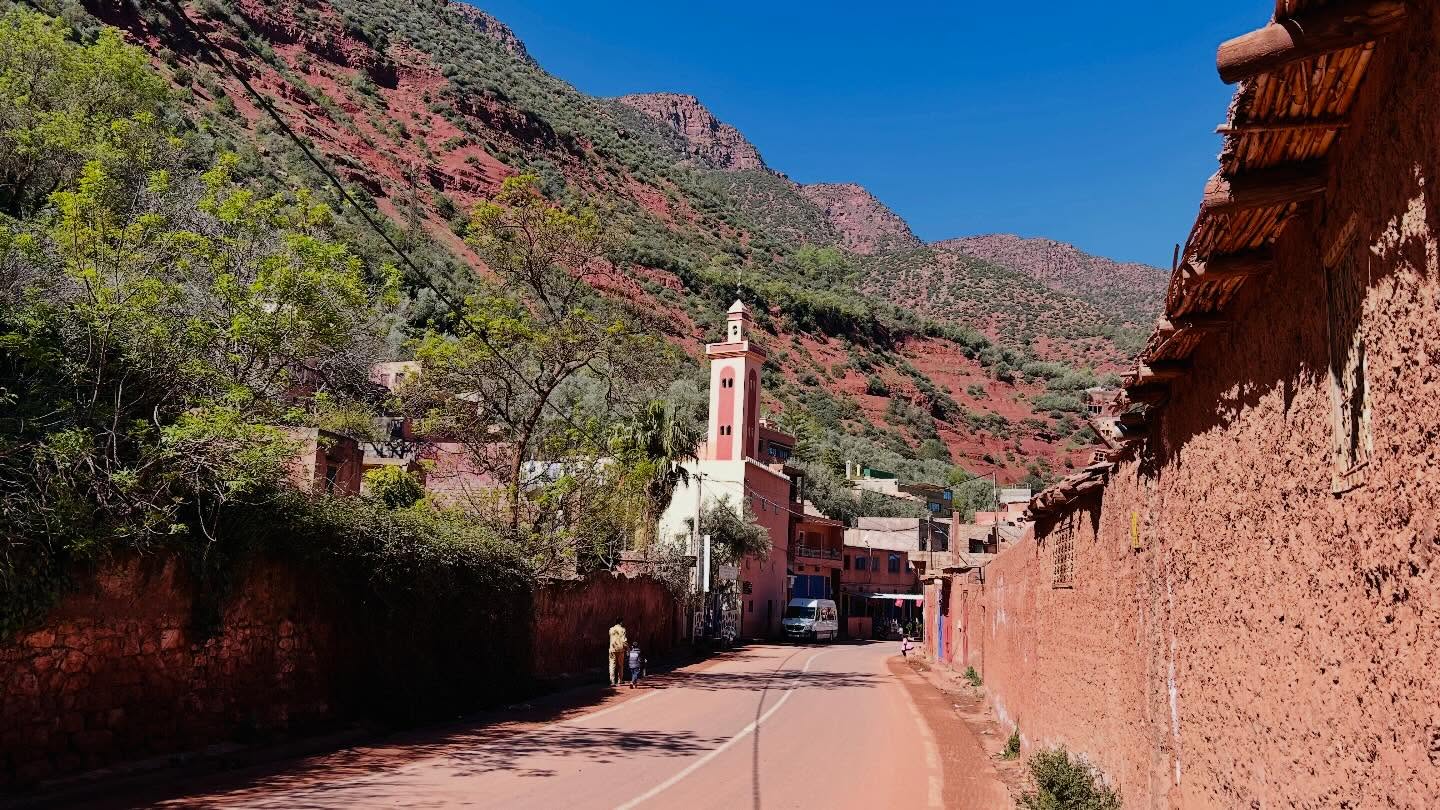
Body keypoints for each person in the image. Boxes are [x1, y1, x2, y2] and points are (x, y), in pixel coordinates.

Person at [607, 618, 628, 687]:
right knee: (620, 665)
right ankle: (620, 680)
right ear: (621, 622)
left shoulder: (611, 629)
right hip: (620, 649)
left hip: (612, 649)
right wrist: (627, 648)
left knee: (612, 665)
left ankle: (612, 681)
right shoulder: (622, 629)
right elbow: (624, 640)